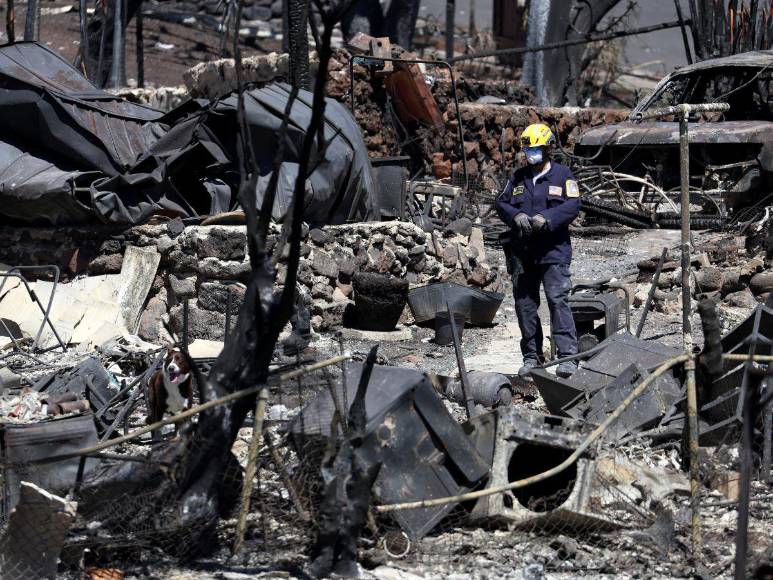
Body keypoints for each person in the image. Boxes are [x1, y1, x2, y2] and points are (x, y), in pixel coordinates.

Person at [495, 123, 581, 379]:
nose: (531, 153)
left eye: (536, 148)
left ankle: (567, 357)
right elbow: (501, 202)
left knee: (557, 300)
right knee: (525, 305)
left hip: (553, 251)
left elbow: (574, 204)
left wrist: (549, 217)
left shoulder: (563, 174)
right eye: (528, 149)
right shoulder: (518, 177)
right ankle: (532, 357)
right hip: (523, 253)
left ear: (548, 148)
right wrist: (516, 215)